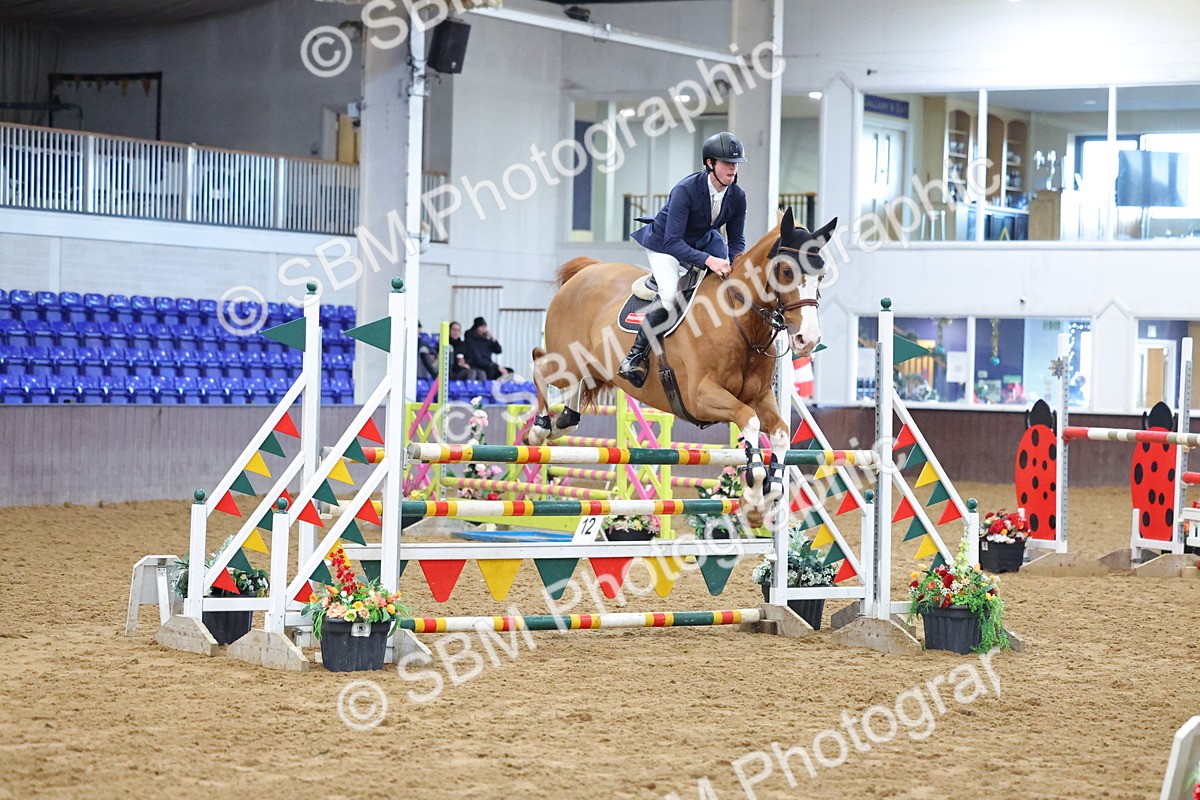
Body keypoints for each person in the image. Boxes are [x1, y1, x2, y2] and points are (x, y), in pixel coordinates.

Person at [620, 131, 748, 387]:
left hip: (703, 241)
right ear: (710, 163)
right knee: (669, 295)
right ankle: (634, 357)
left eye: (735, 163)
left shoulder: (737, 195)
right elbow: (673, 242)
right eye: (726, 163)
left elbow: (736, 241)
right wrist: (709, 261)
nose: (732, 168)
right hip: (666, 244)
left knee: (725, 287)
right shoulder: (685, 190)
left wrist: (736, 265)